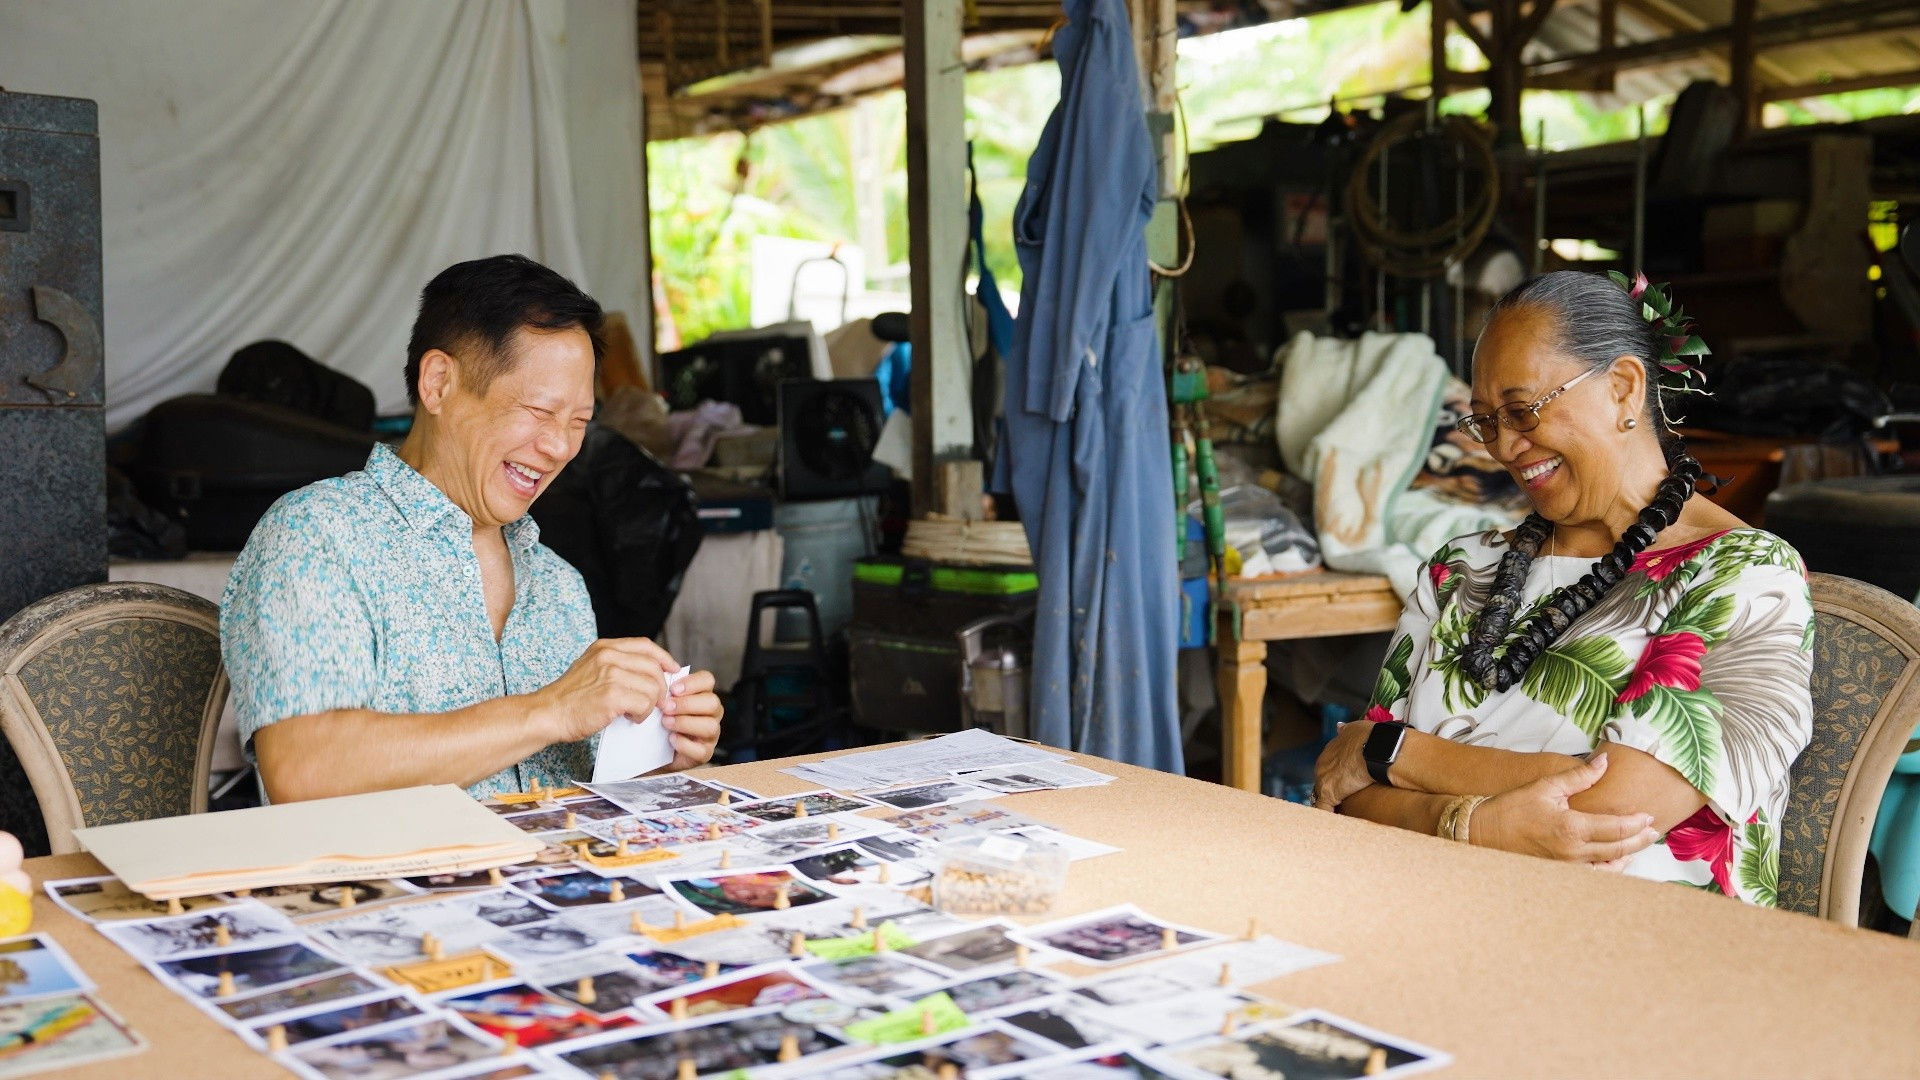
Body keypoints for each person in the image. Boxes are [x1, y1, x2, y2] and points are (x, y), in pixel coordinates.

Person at [1313, 271, 1813, 905]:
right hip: (1434, 914)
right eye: (1486, 424)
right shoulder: (1459, 571)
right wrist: (1476, 823)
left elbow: (1614, 807)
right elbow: (1348, 796)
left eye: (1523, 411)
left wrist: (1391, 749)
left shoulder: (1743, 574)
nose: (1505, 448)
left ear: (1624, 388)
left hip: (1641, 950)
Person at [222, 255, 723, 803]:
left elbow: (578, 795)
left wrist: (662, 753)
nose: (559, 447)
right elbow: (305, 772)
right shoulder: (318, 536)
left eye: (578, 422)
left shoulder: (558, 584)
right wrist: (551, 708)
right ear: (439, 383)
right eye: (538, 410)